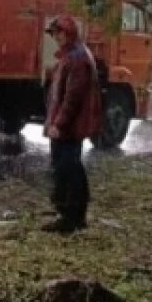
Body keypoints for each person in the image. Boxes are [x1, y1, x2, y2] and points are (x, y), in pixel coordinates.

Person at [43, 14, 103, 233]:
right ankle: (72, 215)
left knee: (66, 169)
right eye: (54, 34)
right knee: (69, 168)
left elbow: (72, 98)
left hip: (68, 128)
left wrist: (59, 124)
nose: (56, 38)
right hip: (68, 126)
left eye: (58, 33)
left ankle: (69, 217)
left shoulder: (76, 58)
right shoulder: (73, 55)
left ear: (67, 33)